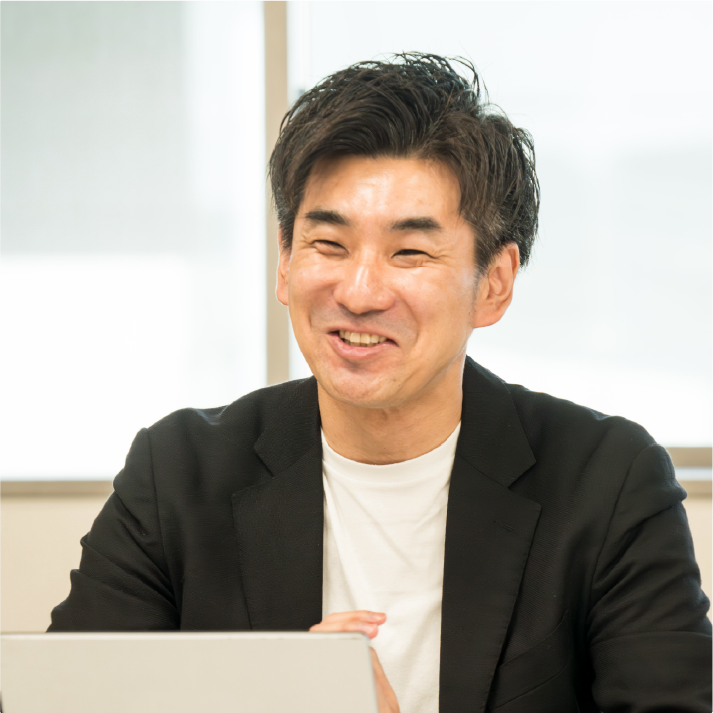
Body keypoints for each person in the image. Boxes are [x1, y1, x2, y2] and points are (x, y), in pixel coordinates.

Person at [49, 54, 713, 712]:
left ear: (494, 283)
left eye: (410, 252)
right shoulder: (178, 471)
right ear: (284, 262)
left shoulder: (607, 482)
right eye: (328, 245)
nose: (359, 292)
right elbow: (63, 699)